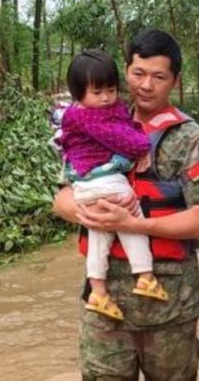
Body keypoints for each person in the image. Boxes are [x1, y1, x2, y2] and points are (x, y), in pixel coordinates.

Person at [53, 29, 199, 380]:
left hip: (170, 307)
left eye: (158, 77)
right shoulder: (91, 120)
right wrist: (85, 212)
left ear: (174, 80)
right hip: (104, 306)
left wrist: (134, 225)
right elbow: (62, 197)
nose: (146, 85)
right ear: (125, 71)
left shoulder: (191, 139)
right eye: (138, 73)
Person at [53, 50, 169, 322]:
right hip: (104, 180)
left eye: (111, 90)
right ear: (78, 93)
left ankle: (98, 292)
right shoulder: (89, 117)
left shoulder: (88, 112)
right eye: (97, 92)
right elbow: (130, 142)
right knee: (130, 218)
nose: (106, 98)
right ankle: (145, 275)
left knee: (99, 233)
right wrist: (142, 146)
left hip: (86, 184)